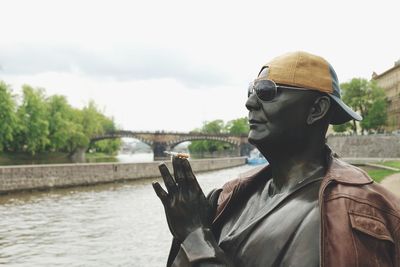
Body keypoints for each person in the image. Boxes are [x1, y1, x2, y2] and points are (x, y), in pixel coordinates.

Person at [152, 51, 400, 267]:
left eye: (266, 91)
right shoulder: (229, 197)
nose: (249, 102)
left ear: (316, 109)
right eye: (252, 90)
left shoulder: (359, 215)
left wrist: (195, 235)